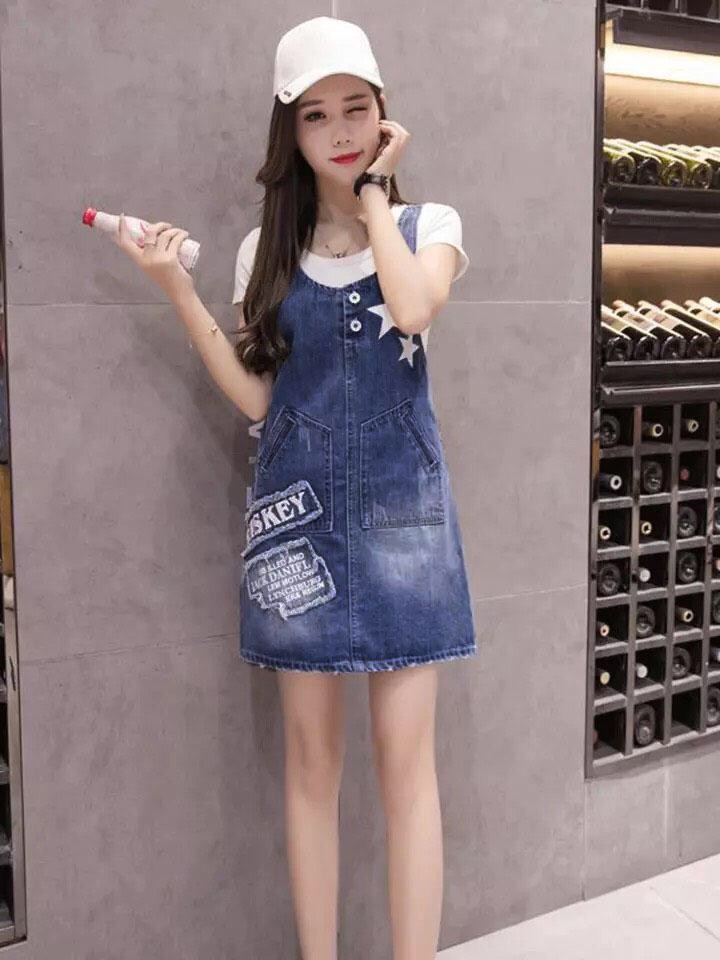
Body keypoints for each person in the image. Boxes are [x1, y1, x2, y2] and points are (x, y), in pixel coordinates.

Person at [113, 16, 477, 960]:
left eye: (356, 108)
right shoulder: (260, 255)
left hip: (404, 520)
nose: (339, 130)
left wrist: (375, 194)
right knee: (312, 771)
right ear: (291, 130)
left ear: (384, 115)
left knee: (408, 772)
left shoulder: (428, 227)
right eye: (315, 115)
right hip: (298, 525)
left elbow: (412, 307)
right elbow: (259, 399)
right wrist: (176, 290)